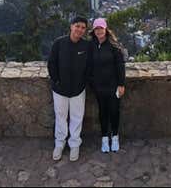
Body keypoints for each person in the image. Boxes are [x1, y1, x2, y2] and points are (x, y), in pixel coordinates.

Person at [47, 16, 90, 162]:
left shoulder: (86, 46)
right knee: (60, 117)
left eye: (83, 28)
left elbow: (89, 67)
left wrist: (83, 82)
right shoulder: (59, 43)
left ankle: (74, 144)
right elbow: (51, 63)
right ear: (71, 26)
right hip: (60, 89)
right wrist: (56, 81)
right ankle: (59, 143)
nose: (79, 29)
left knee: (77, 117)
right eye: (77, 26)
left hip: (78, 90)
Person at [88, 18, 126, 153]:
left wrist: (121, 84)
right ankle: (104, 138)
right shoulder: (90, 46)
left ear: (106, 30)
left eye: (101, 28)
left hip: (113, 86)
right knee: (102, 112)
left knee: (114, 111)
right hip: (99, 87)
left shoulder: (114, 46)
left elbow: (120, 67)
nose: (99, 31)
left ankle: (115, 137)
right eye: (96, 29)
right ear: (94, 31)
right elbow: (88, 66)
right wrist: (92, 83)